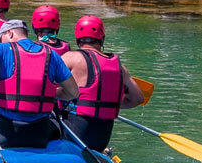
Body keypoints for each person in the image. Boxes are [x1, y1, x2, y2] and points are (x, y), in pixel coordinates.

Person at [0, 20, 79, 148]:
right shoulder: (51, 54)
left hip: (7, 132)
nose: (1, 42)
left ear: (10, 33)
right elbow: (73, 93)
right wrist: (47, 92)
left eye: (1, 38)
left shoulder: (4, 48)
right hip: (41, 133)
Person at [61, 15, 144, 152]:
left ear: (78, 38)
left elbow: (43, 85)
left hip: (75, 134)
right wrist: (109, 102)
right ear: (102, 39)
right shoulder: (120, 68)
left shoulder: (71, 58)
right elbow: (137, 99)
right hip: (101, 139)